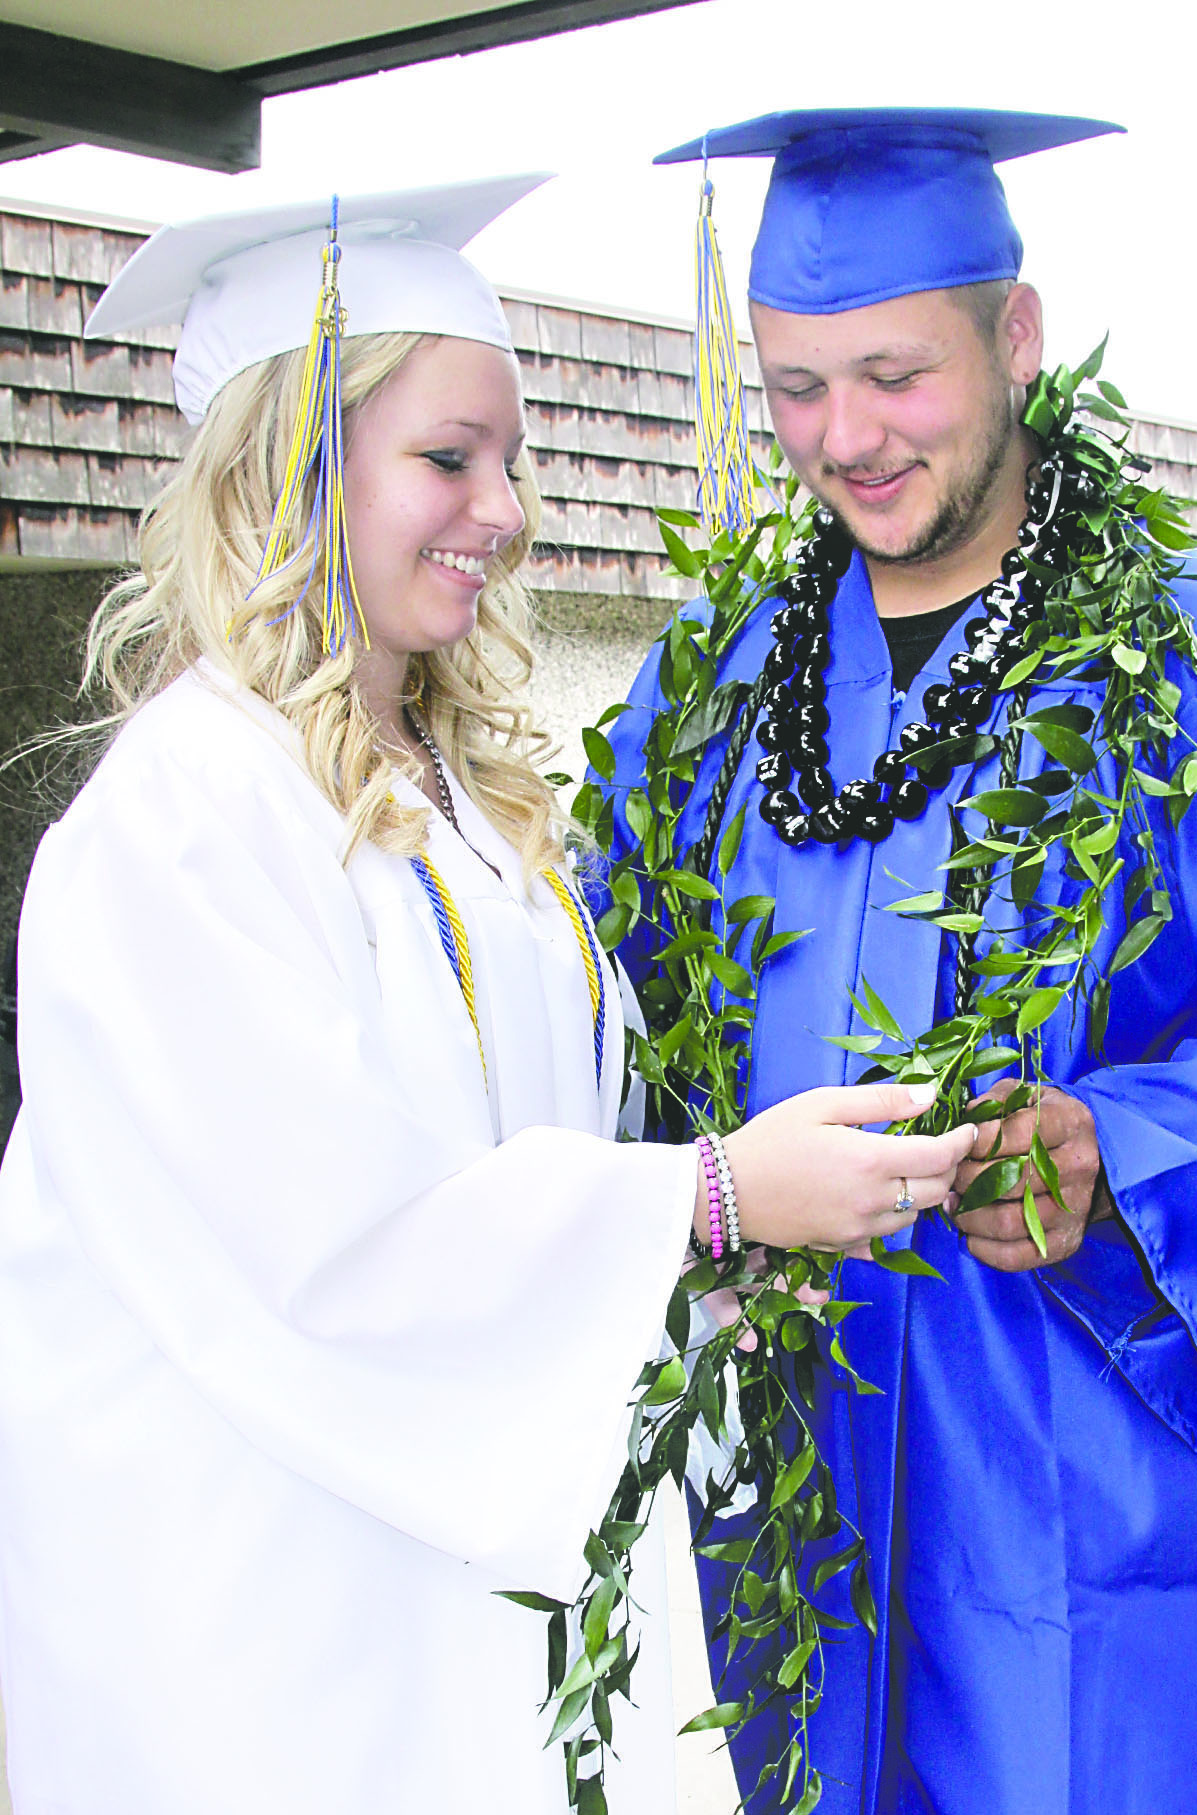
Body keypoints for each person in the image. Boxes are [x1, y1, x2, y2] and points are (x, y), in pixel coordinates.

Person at [0, 175, 976, 1815]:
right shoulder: (184, 821)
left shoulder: (455, 794)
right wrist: (714, 1194)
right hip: (269, 1592)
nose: (507, 509)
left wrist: (710, 1273)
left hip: (461, 1553)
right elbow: (324, 1242)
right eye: (448, 459)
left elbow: (514, 1136)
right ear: (288, 472)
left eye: (509, 459)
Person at [602, 111, 1197, 1815]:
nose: (843, 436)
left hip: (1132, 1539)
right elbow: (608, 1058)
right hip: (816, 1530)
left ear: (1016, 337)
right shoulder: (699, 722)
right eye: (792, 387)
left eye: (893, 373)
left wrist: (1116, 1148)